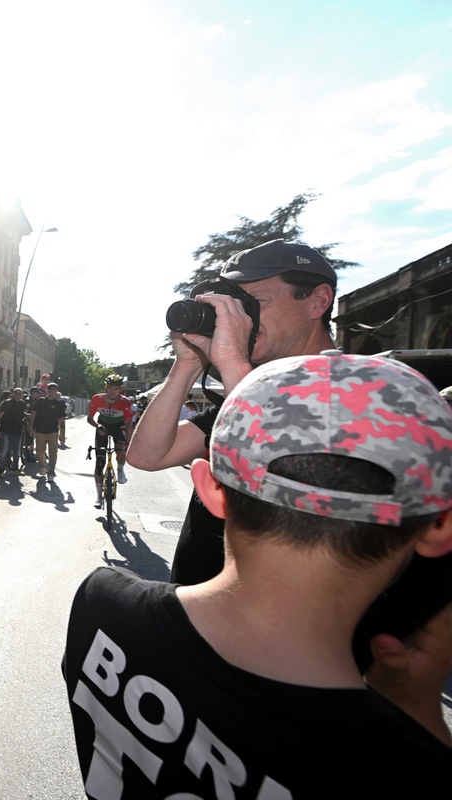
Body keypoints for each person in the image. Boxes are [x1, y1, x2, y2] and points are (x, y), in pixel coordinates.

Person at [62, 352, 452, 798]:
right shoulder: (410, 769)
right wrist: (417, 714)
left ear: (209, 489)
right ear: (441, 526)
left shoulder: (99, 604)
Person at [126, 238, 338, 586]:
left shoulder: (361, 393)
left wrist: (236, 364)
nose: (240, 320)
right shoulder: (250, 390)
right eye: (234, 306)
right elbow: (147, 456)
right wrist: (188, 363)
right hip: (198, 618)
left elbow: (288, 485)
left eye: (253, 304)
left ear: (318, 301)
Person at [86, 374, 134, 507]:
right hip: (102, 427)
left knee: (120, 450)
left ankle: (120, 469)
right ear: (106, 388)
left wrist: (128, 443)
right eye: (111, 388)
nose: (113, 391)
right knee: (99, 463)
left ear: (121, 390)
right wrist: (98, 426)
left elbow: (129, 424)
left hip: (119, 427)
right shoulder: (97, 399)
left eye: (116, 388)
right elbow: (89, 419)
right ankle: (99, 497)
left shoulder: (125, 402)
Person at [29, 381, 66, 478]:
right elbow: (33, 415)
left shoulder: (59, 404)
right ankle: (42, 466)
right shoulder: (40, 401)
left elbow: (62, 421)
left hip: (53, 432)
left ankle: (51, 472)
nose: (52, 392)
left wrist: (63, 436)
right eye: (50, 390)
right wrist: (31, 428)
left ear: (57, 391)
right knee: (39, 452)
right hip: (40, 431)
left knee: (53, 453)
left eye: (54, 390)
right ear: (47, 390)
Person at [0, 387, 27, 475]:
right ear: (12, 395)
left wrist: (31, 416)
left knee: (17, 451)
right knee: (4, 451)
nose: (18, 396)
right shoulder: (6, 403)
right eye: (16, 394)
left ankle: (15, 468)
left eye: (20, 394)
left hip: (18, 431)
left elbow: (22, 414)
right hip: (5, 431)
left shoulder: (22, 404)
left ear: (22, 395)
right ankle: (1, 470)